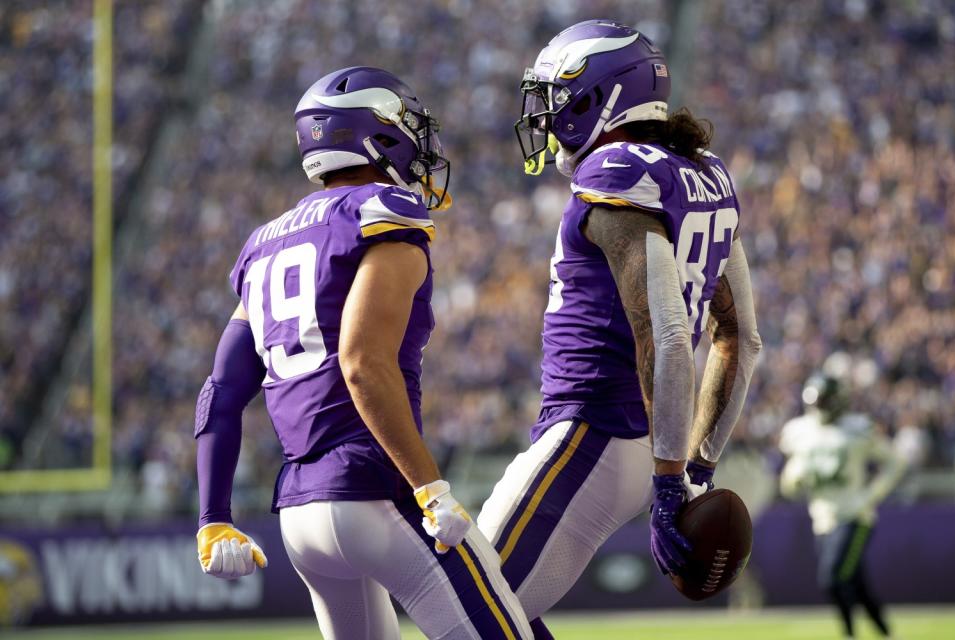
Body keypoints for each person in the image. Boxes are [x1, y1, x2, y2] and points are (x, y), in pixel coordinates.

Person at [193, 66, 533, 640]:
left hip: (301, 515)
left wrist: (213, 520)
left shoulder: (264, 241)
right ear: (376, 133)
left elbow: (222, 392)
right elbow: (361, 362)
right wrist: (431, 488)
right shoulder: (381, 211)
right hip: (375, 491)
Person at [477, 19, 763, 622]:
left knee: (467, 614)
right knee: (507, 616)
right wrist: (697, 466)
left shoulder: (616, 171)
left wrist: (670, 482)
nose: (547, 120)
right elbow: (742, 337)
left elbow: (667, 333)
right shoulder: (702, 170)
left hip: (591, 430)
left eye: (557, 102)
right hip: (635, 442)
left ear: (598, 96)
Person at [780, 370, 906, 639]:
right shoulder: (800, 431)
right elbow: (789, 481)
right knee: (857, 585)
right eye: (818, 402)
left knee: (832, 578)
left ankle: (849, 634)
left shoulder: (857, 428)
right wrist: (794, 481)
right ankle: (886, 633)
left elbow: (896, 462)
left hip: (854, 515)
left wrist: (871, 495)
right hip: (822, 519)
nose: (821, 408)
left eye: (825, 401)